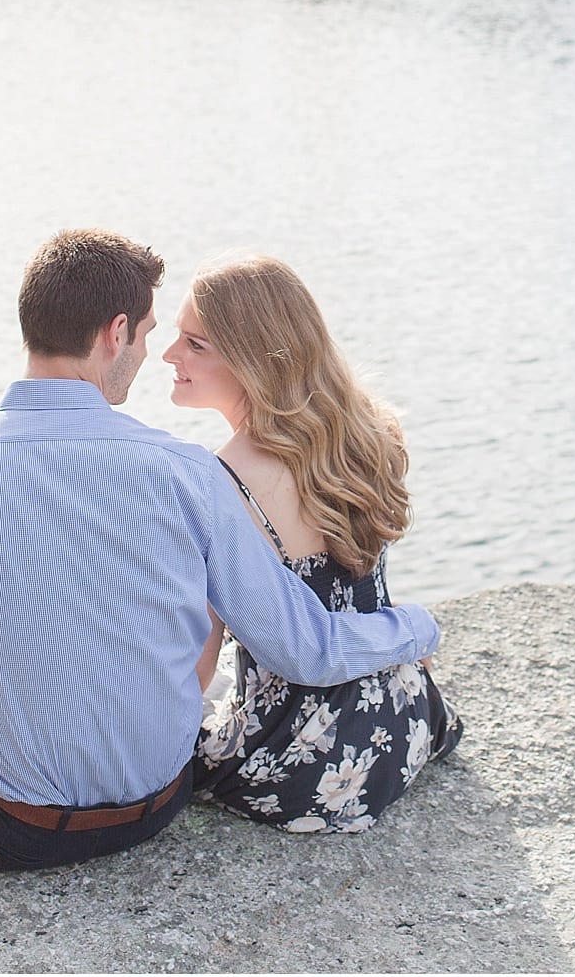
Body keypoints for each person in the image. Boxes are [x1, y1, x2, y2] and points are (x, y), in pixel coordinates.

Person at [0, 229, 441, 869]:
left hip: (3, 824)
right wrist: (417, 623)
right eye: (147, 335)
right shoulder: (189, 474)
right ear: (116, 334)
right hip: (157, 806)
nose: (152, 354)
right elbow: (303, 647)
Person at [165, 255, 462, 833]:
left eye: (195, 344)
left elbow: (200, 653)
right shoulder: (367, 432)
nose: (170, 355)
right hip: (404, 721)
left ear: (254, 359)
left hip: (305, 766)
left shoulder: (222, 482)